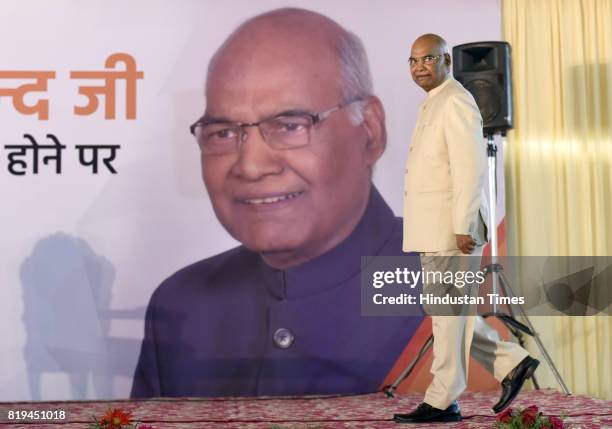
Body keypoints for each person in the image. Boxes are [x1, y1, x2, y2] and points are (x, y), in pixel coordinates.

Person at [131, 8, 423, 398]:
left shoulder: (475, 290)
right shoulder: (184, 303)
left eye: (289, 125)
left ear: (369, 131)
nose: (250, 166)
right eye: (223, 132)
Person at [394, 34, 540, 423]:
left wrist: (463, 226)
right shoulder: (435, 102)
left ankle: (443, 400)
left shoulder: (456, 100)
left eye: (427, 59)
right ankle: (512, 362)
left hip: (452, 229)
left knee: (449, 313)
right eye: (412, 61)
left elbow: (471, 168)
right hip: (434, 227)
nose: (419, 67)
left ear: (447, 61)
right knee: (445, 311)